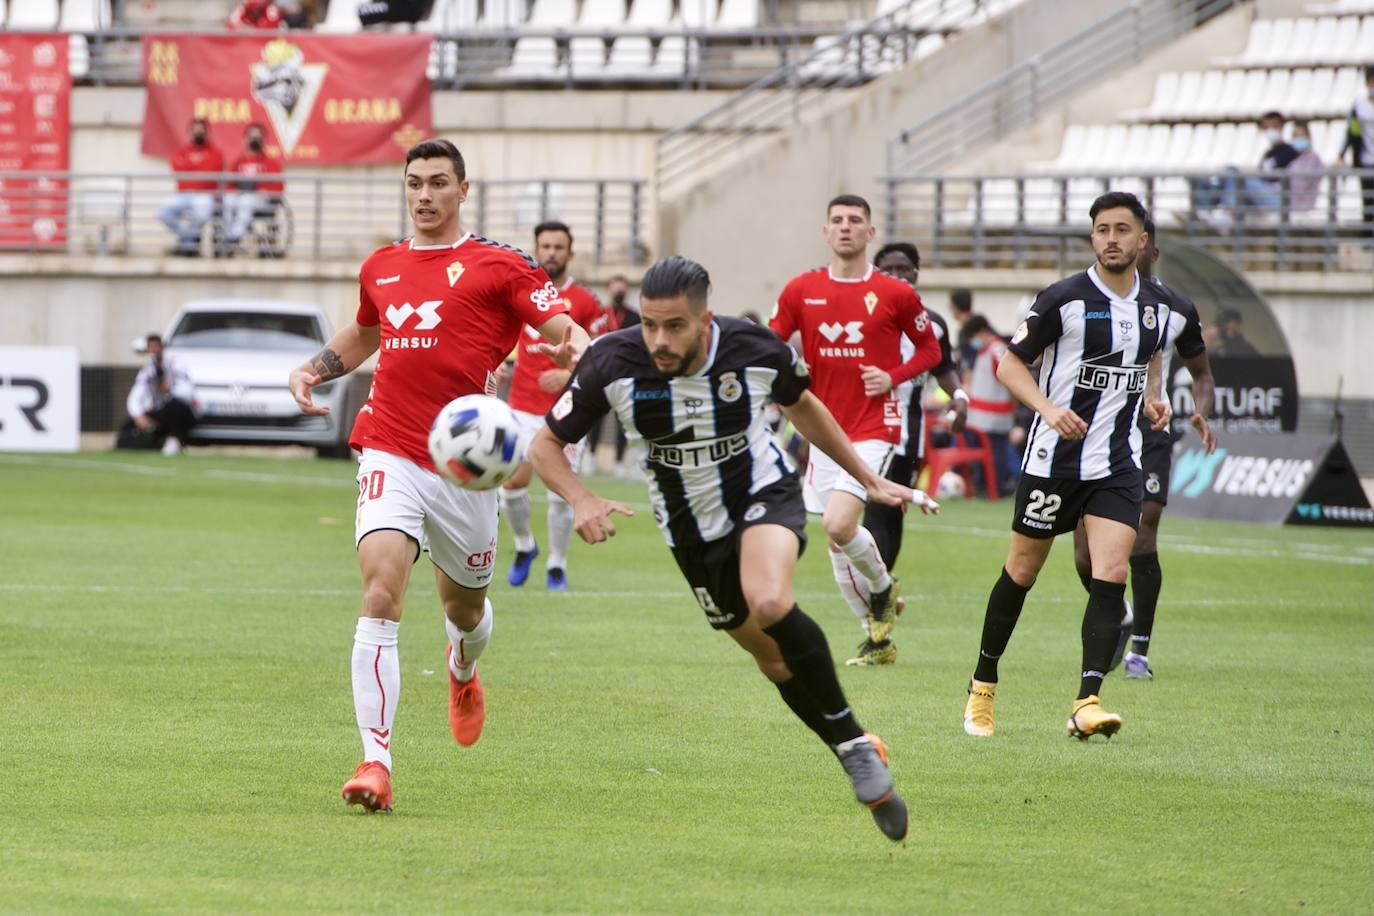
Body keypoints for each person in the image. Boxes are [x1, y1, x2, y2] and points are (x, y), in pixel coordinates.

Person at [528, 255, 937, 841]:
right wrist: (580, 498)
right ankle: (849, 743)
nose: (659, 340)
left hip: (761, 492)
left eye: (674, 326)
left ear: (705, 320)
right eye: (649, 324)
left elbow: (803, 406)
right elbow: (545, 446)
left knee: (770, 601)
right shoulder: (611, 363)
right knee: (772, 660)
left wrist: (866, 478)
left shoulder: (752, 347)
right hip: (689, 529)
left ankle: (852, 746)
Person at [287, 138, 590, 814]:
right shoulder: (382, 265)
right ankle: (376, 763)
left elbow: (563, 327)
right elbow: (366, 332)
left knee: (465, 610)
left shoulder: (501, 266)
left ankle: (462, 666)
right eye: (414, 183)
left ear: (463, 189)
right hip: (388, 446)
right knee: (380, 595)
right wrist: (313, 368)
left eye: (438, 183)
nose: (424, 195)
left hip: (466, 470)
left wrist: (576, 350)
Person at [960, 191, 1172, 741]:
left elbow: (1151, 356)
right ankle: (982, 686)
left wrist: (1154, 396)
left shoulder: (1156, 306)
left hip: (1117, 463)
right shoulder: (1064, 298)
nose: (1111, 239)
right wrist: (1048, 409)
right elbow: (1010, 365)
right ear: (1092, 237)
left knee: (1112, 573)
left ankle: (1087, 702)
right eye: (1102, 229)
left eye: (1122, 229)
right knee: (1021, 572)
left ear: (1142, 239)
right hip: (1053, 462)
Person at [770, 195, 942, 665]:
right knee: (835, 540)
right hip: (822, 429)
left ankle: (883, 588)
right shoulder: (800, 289)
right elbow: (771, 342)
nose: (846, 227)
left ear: (870, 232)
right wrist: (787, 371)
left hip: (875, 425)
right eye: (837, 221)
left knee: (838, 523)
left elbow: (930, 351)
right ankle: (877, 639)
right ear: (825, 231)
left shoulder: (895, 293)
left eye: (855, 221)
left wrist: (893, 377)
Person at [1071, 215, 1216, 681]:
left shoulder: (1175, 308)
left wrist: (1201, 412)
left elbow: (1202, 373)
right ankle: (1120, 611)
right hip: (1096, 431)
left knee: (1144, 532)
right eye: (1108, 233)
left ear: (1149, 248)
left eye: (1129, 236)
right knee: (1085, 556)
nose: (1120, 244)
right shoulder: (1087, 299)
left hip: (1150, 429)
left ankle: (1140, 652)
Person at [851, 240, 965, 666]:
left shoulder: (931, 323)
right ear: (876, 272)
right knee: (858, 523)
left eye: (906, 268)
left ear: (917, 273)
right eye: (890, 269)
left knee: (885, 521)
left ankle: (878, 617)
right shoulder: (859, 315)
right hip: (861, 430)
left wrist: (960, 398)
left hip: (907, 439)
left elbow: (944, 367)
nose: (899, 275)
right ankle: (881, 596)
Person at [500, 221, 603, 591]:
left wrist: (568, 374)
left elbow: (603, 354)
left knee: (560, 494)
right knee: (510, 485)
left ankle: (557, 565)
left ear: (570, 253)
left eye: (559, 247)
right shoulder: (520, 293)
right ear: (536, 249)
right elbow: (500, 338)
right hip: (520, 407)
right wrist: (497, 363)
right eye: (545, 246)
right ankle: (525, 545)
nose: (552, 253)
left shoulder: (587, 302)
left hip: (568, 410)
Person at [959, 314, 1020, 496]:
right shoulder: (984, 350)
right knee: (985, 455)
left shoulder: (996, 349)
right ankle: (984, 486)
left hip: (995, 416)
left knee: (997, 455)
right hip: (981, 416)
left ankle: (996, 488)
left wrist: (1015, 406)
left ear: (982, 332)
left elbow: (1008, 376)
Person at [156, 118, 223, 257]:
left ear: (207, 132)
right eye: (195, 130)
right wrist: (198, 168)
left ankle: (186, 244)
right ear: (190, 133)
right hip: (182, 194)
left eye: (201, 130)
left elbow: (210, 172)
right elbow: (178, 170)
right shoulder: (181, 152)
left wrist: (191, 168)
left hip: (204, 194)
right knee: (162, 213)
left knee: (203, 213)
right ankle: (189, 239)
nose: (198, 133)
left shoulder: (216, 153)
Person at [123, 334, 195, 455]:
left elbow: (187, 391)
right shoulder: (148, 369)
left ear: (162, 347)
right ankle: (157, 444)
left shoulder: (175, 364)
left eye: (156, 347)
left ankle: (175, 440)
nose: (154, 350)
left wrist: (169, 389)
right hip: (159, 410)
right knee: (128, 428)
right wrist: (138, 415)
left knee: (173, 407)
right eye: (151, 347)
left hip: (179, 411)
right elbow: (136, 393)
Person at [221, 122, 285, 257]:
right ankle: (229, 236)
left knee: (247, 200)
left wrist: (263, 190)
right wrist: (234, 190)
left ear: (263, 140)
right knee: (228, 200)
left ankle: (233, 239)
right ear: (246, 139)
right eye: (252, 137)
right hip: (240, 198)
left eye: (258, 137)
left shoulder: (270, 162)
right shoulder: (238, 162)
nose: (255, 140)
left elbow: (279, 185)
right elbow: (228, 184)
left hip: (261, 201)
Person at [1341, 66, 1374, 235]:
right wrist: (1341, 154)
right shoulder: (1359, 106)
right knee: (1368, 201)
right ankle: (1367, 238)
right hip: (1366, 161)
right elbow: (1352, 133)